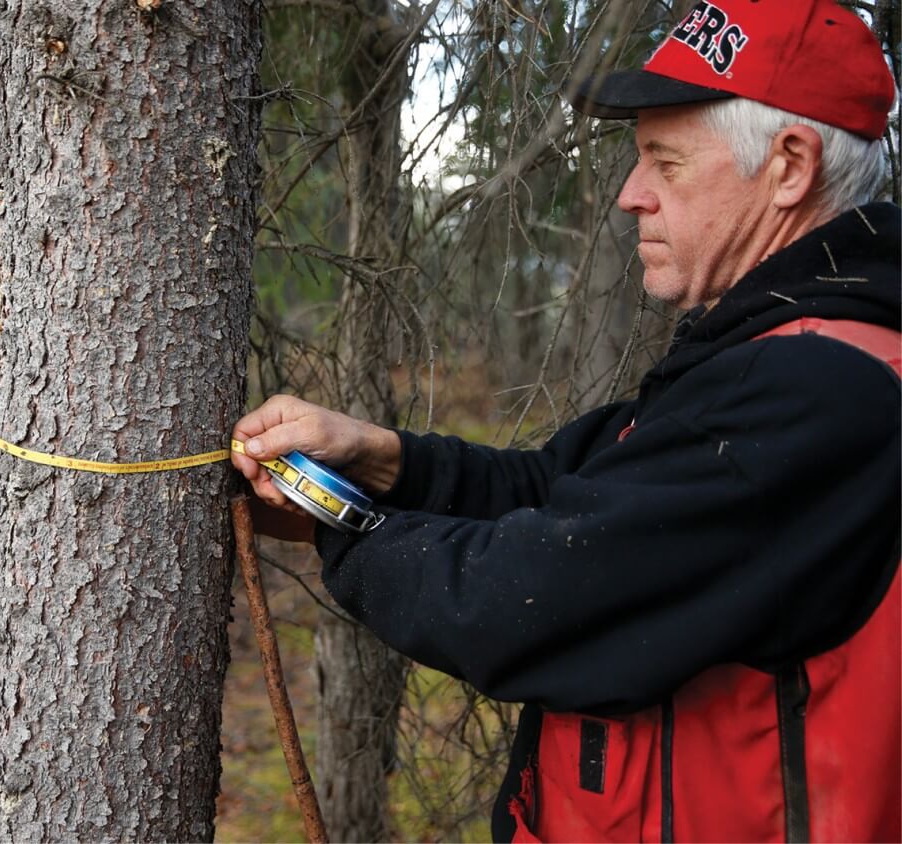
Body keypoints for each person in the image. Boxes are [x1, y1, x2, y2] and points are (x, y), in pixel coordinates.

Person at [233, 1, 901, 840]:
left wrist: (337, 519)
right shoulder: (768, 357)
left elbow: (528, 598)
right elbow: (557, 490)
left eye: (665, 161)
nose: (631, 196)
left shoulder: (826, 390)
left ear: (789, 165)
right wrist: (382, 459)